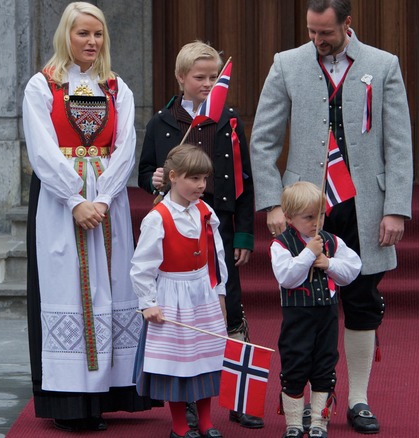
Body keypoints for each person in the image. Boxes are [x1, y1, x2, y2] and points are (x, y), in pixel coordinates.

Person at [249, 0, 413, 433]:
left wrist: (396, 207)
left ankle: (357, 400)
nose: (317, 40)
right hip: (305, 205)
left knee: (361, 301)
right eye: (311, 31)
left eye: (325, 32)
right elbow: (262, 140)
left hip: (364, 204)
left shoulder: (383, 64)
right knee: (306, 308)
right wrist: (271, 204)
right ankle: (306, 403)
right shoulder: (286, 64)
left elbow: (399, 143)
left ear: (347, 24)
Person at [22, 2, 154, 432]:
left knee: (111, 286)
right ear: (66, 36)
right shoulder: (42, 86)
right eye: (82, 34)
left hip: (107, 205)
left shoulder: (116, 87)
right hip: (61, 205)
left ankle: (108, 393)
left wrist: (106, 196)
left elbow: (126, 144)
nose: (91, 42)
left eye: (97, 35)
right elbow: (41, 149)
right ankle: (70, 402)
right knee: (69, 285)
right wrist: (76, 198)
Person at [138, 41, 262, 429]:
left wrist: (242, 234)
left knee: (230, 305)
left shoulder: (229, 119)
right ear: (180, 78)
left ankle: (237, 395)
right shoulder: (162, 122)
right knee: (185, 317)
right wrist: (154, 179)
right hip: (175, 223)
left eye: (213, 77)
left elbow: (243, 180)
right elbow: (145, 172)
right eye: (200, 77)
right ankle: (188, 398)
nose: (208, 84)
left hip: (216, 222)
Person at [131, 144, 228, 438]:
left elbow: (216, 255)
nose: (201, 185)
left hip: (202, 293)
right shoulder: (157, 218)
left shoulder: (205, 212)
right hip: (171, 296)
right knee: (176, 362)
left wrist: (219, 292)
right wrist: (148, 302)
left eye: (204, 179)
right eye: (194, 179)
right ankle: (180, 425)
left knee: (205, 357)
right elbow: (141, 266)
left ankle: (207, 421)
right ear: (173, 176)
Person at [271, 182, 362, 438]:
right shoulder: (281, 244)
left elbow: (353, 269)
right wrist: (309, 255)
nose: (316, 222)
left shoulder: (332, 242)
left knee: (324, 367)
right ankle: (294, 423)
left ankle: (319, 424)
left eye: (320, 215)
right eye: (309, 217)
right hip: (298, 318)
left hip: (327, 316)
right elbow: (287, 277)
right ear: (289, 218)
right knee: (294, 367)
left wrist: (329, 263)